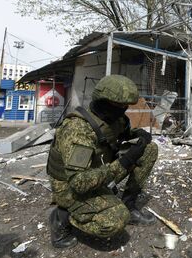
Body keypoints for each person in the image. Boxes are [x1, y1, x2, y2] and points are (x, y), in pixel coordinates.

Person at [46, 75, 158, 248]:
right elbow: (79, 183)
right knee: (115, 220)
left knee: (149, 149)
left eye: (125, 106)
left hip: (98, 169)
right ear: (103, 102)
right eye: (118, 106)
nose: (123, 110)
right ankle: (62, 217)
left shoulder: (116, 118)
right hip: (69, 183)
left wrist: (139, 135)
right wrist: (126, 161)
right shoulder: (78, 129)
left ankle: (129, 203)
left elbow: (120, 133)